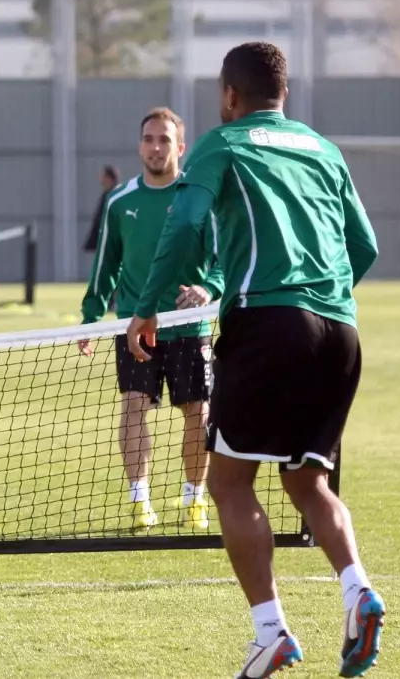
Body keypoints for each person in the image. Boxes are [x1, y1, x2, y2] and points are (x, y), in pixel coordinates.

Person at [126, 42, 383, 679]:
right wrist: (323, 296)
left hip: (268, 326)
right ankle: (358, 593)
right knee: (306, 481)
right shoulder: (323, 148)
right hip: (340, 332)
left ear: (228, 96)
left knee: (229, 482)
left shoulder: (221, 142)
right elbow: (365, 246)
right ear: (285, 95)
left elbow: (184, 225)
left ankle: (271, 632)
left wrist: (149, 304)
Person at [78, 107, 223, 533]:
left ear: (180, 147)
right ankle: (140, 499)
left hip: (190, 327)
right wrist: (89, 318)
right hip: (136, 329)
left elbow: (222, 261)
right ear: (139, 145)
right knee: (134, 406)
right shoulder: (120, 202)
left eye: (164, 140)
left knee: (198, 413)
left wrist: (207, 290)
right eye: (148, 139)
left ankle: (194, 499)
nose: (155, 147)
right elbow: (105, 266)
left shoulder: (199, 199)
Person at [83, 165, 120, 253]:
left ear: (109, 178)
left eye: (103, 177)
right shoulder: (107, 195)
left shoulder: (114, 196)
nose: (101, 180)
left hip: (110, 243)